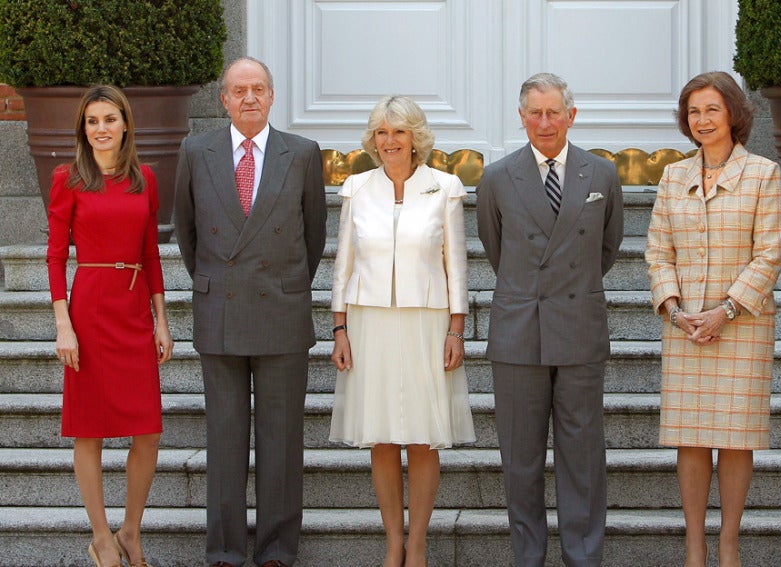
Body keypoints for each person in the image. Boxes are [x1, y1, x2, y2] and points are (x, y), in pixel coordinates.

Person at [174, 57, 327, 567]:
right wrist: (216, 283)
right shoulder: (196, 151)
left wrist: (285, 287)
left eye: (258, 89)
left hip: (281, 312)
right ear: (223, 99)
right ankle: (224, 549)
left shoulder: (302, 153)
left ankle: (278, 549)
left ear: (272, 95)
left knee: (282, 440)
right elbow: (187, 233)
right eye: (238, 90)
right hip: (220, 311)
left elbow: (314, 234)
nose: (249, 98)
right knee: (224, 437)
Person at [476, 72, 624, 567]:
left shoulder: (601, 175)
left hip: (579, 329)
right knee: (520, 461)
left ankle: (583, 558)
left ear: (570, 116)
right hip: (519, 333)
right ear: (521, 118)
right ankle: (529, 558)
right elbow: (498, 251)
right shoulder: (496, 177)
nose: (544, 122)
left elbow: (606, 248)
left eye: (553, 112)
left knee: (582, 458)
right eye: (534, 113)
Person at [645, 71, 781, 567]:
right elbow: (657, 252)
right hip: (685, 328)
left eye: (711, 109)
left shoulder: (763, 174)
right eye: (693, 112)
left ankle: (728, 542)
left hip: (740, 326)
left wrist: (725, 310)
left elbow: (769, 253)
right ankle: (694, 545)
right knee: (690, 435)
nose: (702, 120)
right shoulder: (671, 176)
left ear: (733, 113)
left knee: (734, 437)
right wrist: (675, 308)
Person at [328, 95, 475, 567]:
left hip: (427, 321)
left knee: (422, 434)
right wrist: (339, 328)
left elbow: (457, 263)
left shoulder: (445, 187)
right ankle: (394, 542)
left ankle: (419, 543)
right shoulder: (356, 187)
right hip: (368, 320)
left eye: (399, 132)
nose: (389, 141)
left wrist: (457, 329)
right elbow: (342, 261)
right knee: (383, 435)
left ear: (416, 138)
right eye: (381, 132)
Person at [47, 85, 174, 567]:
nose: (101, 128)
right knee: (90, 430)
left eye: (109, 119)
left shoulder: (145, 179)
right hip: (91, 308)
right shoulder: (69, 178)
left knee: (148, 430)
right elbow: (56, 255)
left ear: (125, 124)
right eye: (92, 121)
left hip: (134, 308)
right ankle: (101, 536)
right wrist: (64, 325)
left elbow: (150, 254)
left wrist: (162, 320)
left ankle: (131, 530)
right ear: (84, 129)